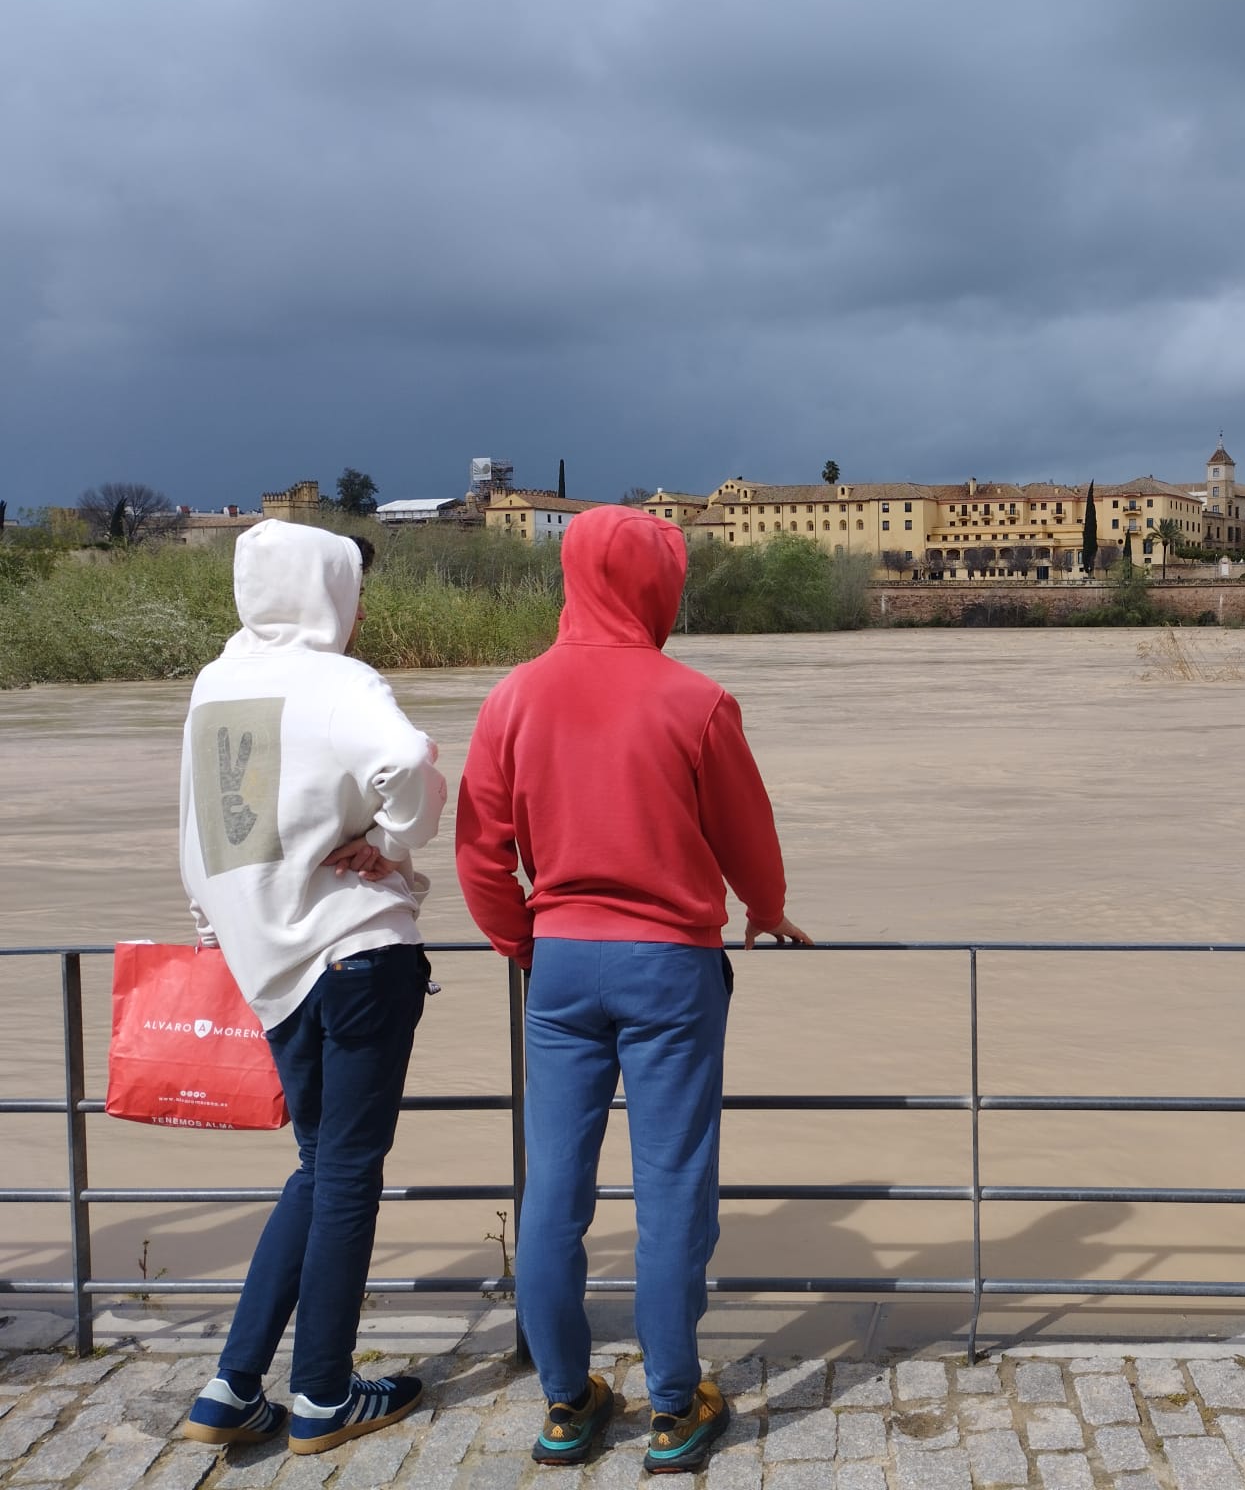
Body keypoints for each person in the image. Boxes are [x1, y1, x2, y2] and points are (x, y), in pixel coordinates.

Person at [455, 507, 809, 1473]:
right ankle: (672, 1407)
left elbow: (482, 852)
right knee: (673, 1185)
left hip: (560, 965)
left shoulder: (512, 699)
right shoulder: (694, 700)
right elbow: (749, 839)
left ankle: (566, 1405)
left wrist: (519, 940)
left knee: (555, 1193)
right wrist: (766, 907)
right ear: (658, 585)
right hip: (669, 969)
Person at [176, 522, 447, 1454]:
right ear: (323, 590)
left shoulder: (215, 686)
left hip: (274, 972)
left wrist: (230, 932)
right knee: (346, 1179)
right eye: (349, 586)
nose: (359, 607)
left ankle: (231, 1388)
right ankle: (325, 1398)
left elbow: (203, 833)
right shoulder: (338, 680)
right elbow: (408, 764)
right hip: (358, 953)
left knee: (319, 1166)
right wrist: (398, 839)